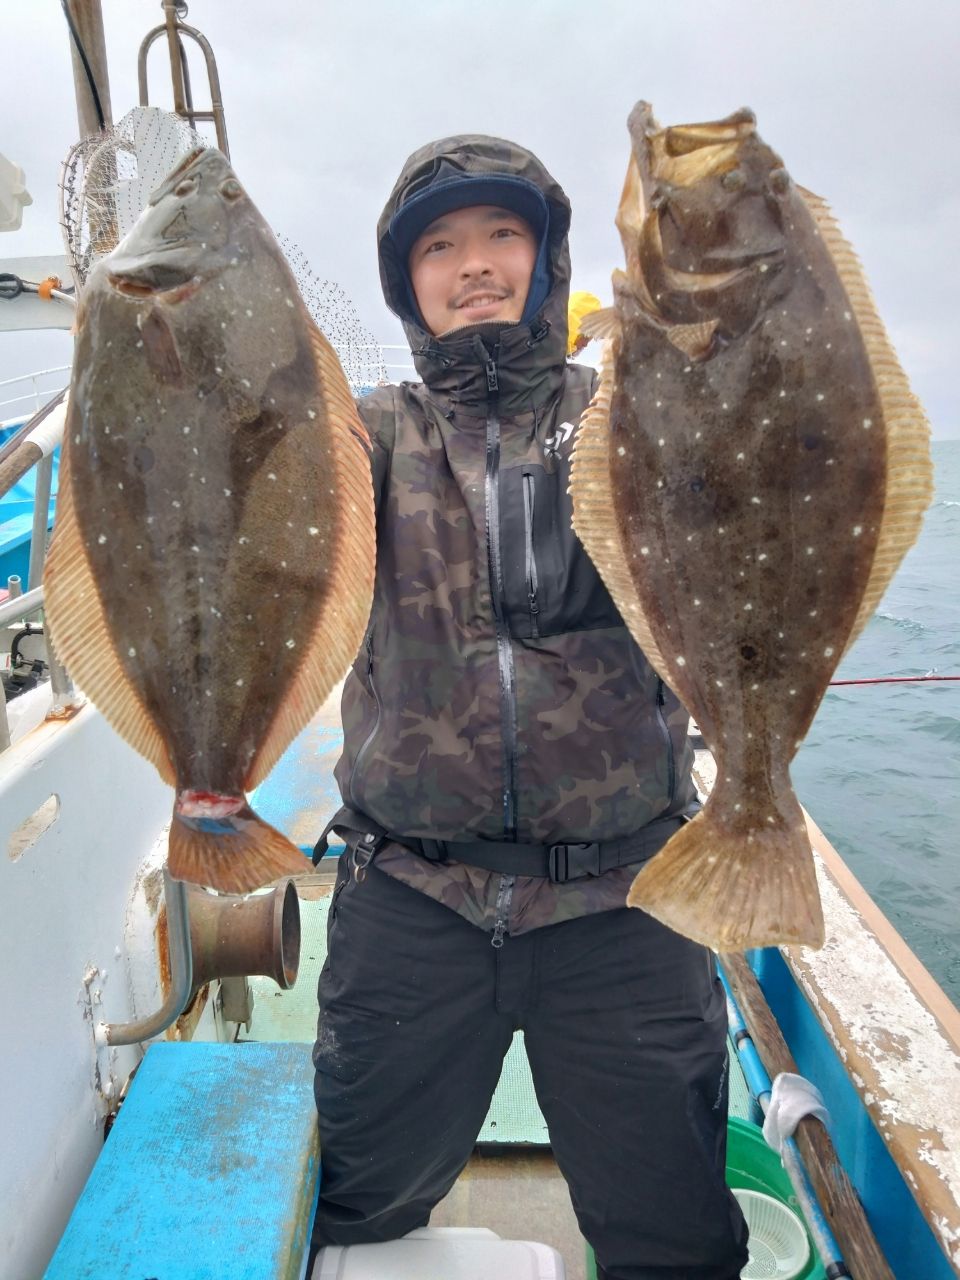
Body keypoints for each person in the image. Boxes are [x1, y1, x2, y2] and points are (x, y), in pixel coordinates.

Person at [310, 134, 749, 1280]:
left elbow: (747, 462)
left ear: (548, 256)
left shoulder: (625, 412)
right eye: (440, 246)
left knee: (673, 1236)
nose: (475, 265)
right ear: (407, 280)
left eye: (504, 233)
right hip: (411, 895)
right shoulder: (363, 438)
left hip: (625, 900)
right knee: (356, 1205)